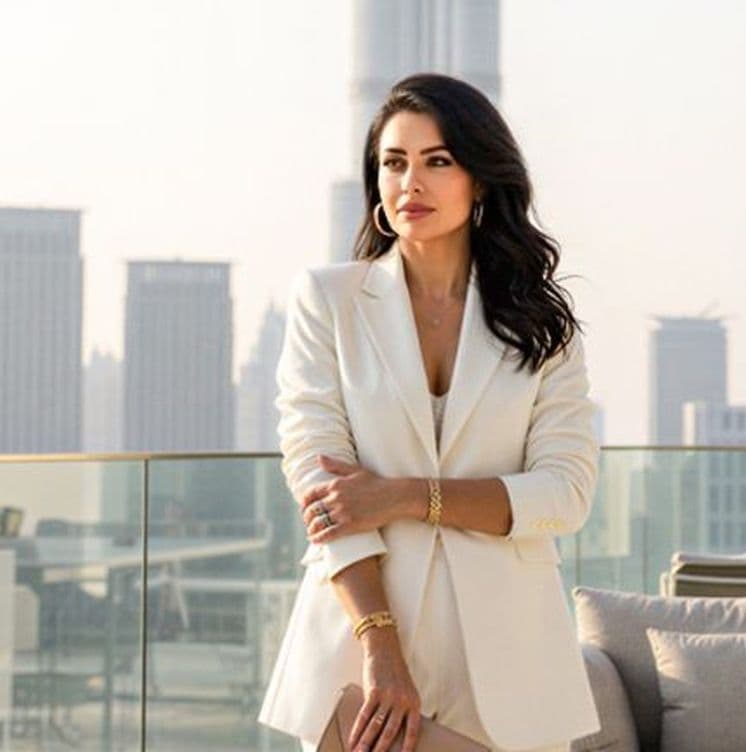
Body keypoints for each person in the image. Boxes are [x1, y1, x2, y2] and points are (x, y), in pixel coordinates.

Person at [256, 73, 601, 752]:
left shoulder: (544, 327)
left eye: (437, 161)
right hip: (362, 652)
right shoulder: (329, 302)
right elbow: (324, 494)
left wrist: (405, 496)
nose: (411, 181)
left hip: (512, 662)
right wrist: (380, 650)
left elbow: (565, 495)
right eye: (394, 162)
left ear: (480, 179)